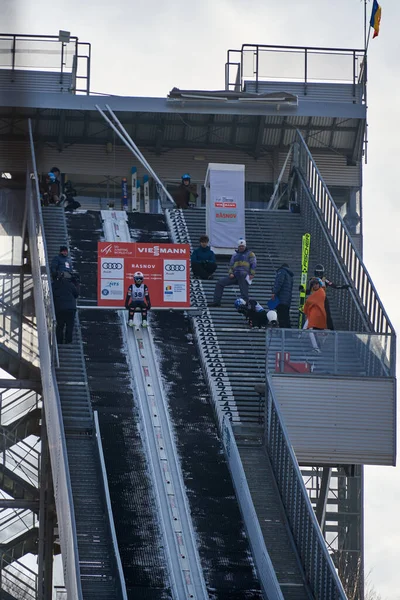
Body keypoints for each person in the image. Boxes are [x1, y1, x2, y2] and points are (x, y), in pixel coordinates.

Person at [208, 239, 256, 307]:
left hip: (244, 275)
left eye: (242, 246)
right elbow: (231, 266)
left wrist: (252, 274)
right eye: (240, 246)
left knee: (243, 277)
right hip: (235, 275)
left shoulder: (250, 254)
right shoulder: (235, 255)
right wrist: (230, 273)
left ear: (245, 246)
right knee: (220, 283)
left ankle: (245, 302)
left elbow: (253, 264)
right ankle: (216, 301)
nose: (241, 247)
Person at [309, 264, 350, 330]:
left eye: (320, 273)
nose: (319, 274)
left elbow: (334, 285)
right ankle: (318, 328)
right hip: (317, 300)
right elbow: (309, 290)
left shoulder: (323, 279)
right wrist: (303, 289)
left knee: (326, 314)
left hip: (322, 299)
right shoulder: (313, 280)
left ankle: (330, 329)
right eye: (318, 273)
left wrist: (343, 286)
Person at [52, 272, 79, 344]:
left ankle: (59, 341)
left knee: (60, 325)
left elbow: (52, 295)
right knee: (70, 325)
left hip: (59, 308)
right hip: (71, 308)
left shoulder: (54, 285)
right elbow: (76, 294)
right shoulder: (70, 284)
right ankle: (68, 341)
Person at [271, 263, 294, 328]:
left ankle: (282, 333)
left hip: (280, 299)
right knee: (286, 317)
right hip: (287, 300)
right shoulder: (290, 275)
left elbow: (279, 283)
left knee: (281, 318)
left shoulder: (282, 271)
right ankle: (288, 333)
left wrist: (274, 292)